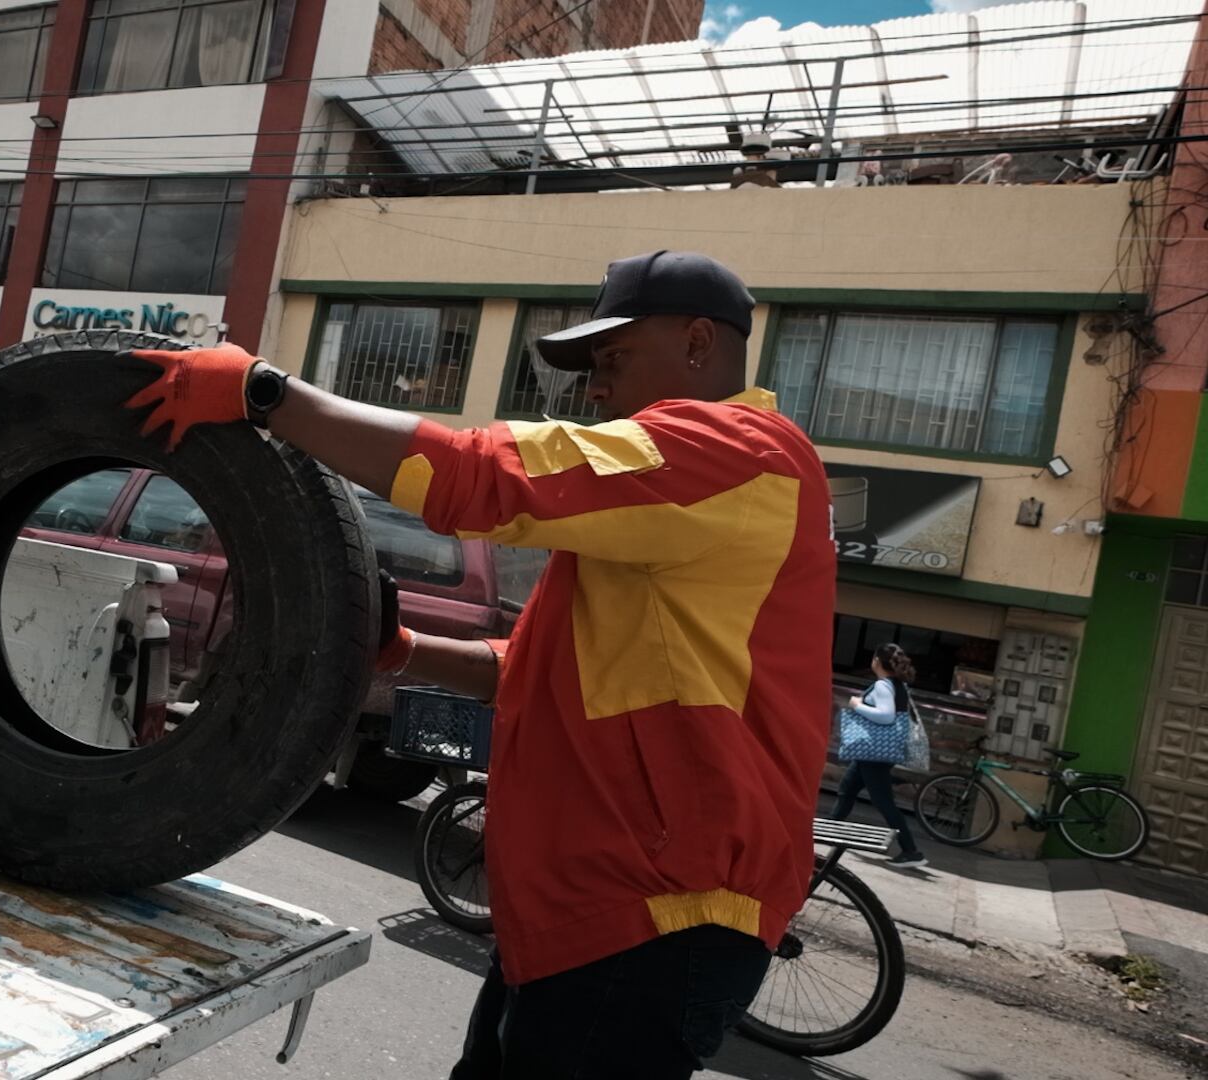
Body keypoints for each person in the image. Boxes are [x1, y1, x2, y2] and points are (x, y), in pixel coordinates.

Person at [122, 250, 835, 1078]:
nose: (595, 390)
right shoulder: (674, 506)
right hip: (589, 901)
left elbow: (481, 474)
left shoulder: (735, 453)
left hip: (656, 910)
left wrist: (269, 396)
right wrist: (404, 651)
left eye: (612, 359)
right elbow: (530, 669)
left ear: (699, 343)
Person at [833, 642, 927, 866]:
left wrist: (857, 704)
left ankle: (911, 851)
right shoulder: (898, 685)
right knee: (847, 789)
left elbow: (886, 716)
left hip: (874, 753)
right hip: (873, 753)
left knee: (884, 802)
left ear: (877, 661)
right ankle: (829, 827)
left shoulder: (883, 686)